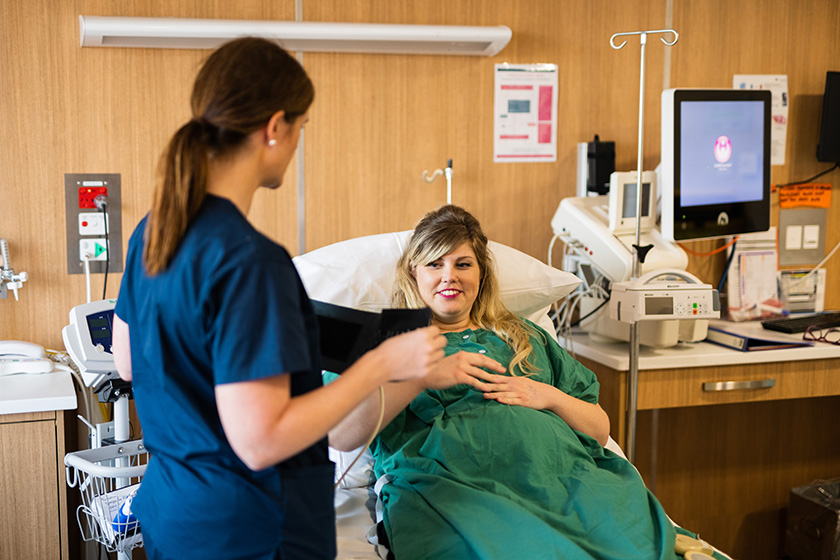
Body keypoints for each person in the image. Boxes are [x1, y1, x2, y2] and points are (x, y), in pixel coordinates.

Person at [110, 37, 445, 560]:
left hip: (175, 515)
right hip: (250, 531)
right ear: (274, 127)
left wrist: (292, 333)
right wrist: (381, 364)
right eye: (300, 130)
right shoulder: (253, 261)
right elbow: (261, 440)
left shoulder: (153, 232)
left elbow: (128, 361)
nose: (296, 146)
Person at [328, 205, 690, 560]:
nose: (449, 276)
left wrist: (547, 395)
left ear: (481, 273)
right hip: (456, 489)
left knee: (634, 545)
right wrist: (420, 377)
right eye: (435, 263)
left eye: (463, 264)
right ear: (413, 272)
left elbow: (599, 430)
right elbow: (342, 434)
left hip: (567, 477)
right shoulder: (387, 341)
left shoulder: (523, 335)